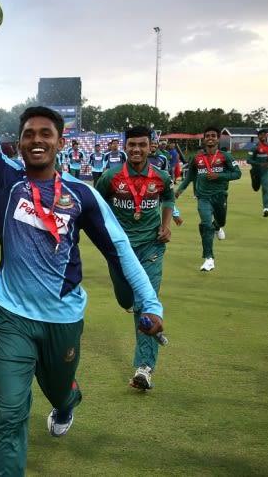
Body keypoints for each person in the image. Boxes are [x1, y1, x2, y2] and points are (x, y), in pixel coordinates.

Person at [0, 29, 164, 477]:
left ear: (61, 143)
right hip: (11, 316)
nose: (36, 139)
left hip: (64, 319)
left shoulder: (83, 195)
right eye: (28, 134)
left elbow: (121, 250)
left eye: (46, 133)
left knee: (60, 390)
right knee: (8, 412)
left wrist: (150, 302)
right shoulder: (6, 177)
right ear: (20, 142)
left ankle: (68, 401)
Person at [95, 126, 175, 390]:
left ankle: (144, 368)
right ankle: (132, 303)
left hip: (151, 248)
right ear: (124, 146)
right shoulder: (110, 177)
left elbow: (168, 198)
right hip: (120, 252)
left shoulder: (161, 176)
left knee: (145, 304)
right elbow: (97, 206)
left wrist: (165, 225)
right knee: (126, 299)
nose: (137, 149)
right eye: (132, 145)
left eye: (142, 144)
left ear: (151, 146)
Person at [175, 126, 241, 271]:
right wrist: (179, 190)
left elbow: (237, 174)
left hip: (220, 196)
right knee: (206, 224)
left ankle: (218, 226)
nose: (210, 138)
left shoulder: (225, 156)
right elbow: (190, 177)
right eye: (207, 136)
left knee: (221, 221)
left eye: (213, 135)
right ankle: (209, 258)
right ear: (204, 139)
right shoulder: (197, 158)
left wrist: (219, 176)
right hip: (203, 197)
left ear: (218, 139)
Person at [249, 129, 268, 217]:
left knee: (265, 189)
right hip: (255, 172)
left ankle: (266, 208)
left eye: (264, 134)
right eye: (261, 135)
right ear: (258, 137)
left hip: (265, 172)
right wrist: (259, 164)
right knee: (256, 189)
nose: (263, 136)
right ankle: (253, 179)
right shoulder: (254, 147)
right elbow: (248, 160)